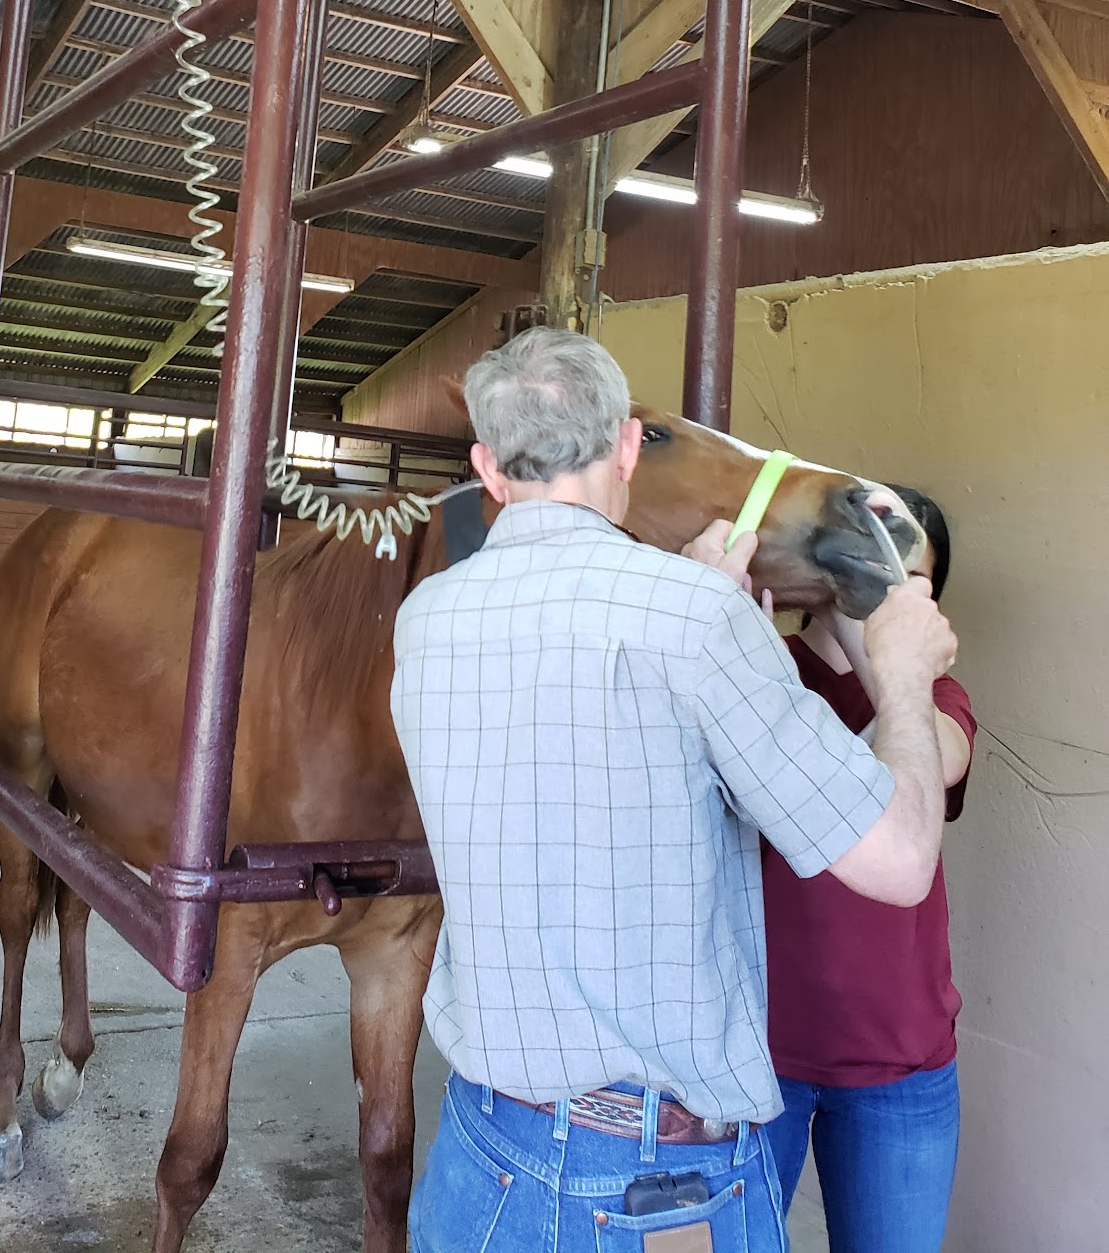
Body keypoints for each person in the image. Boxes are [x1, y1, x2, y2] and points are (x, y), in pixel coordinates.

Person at [390, 328, 958, 1253]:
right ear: (623, 446)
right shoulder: (696, 620)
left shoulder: (428, 619)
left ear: (487, 468)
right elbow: (897, 861)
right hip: (652, 1184)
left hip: (481, 1146)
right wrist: (898, 677)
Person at [763, 489, 975, 1253]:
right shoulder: (764, 671)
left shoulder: (935, 699)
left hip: (901, 1066)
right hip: (758, 1062)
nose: (880, 592)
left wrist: (892, 651)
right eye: (866, 562)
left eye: (904, 579)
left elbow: (928, 763)